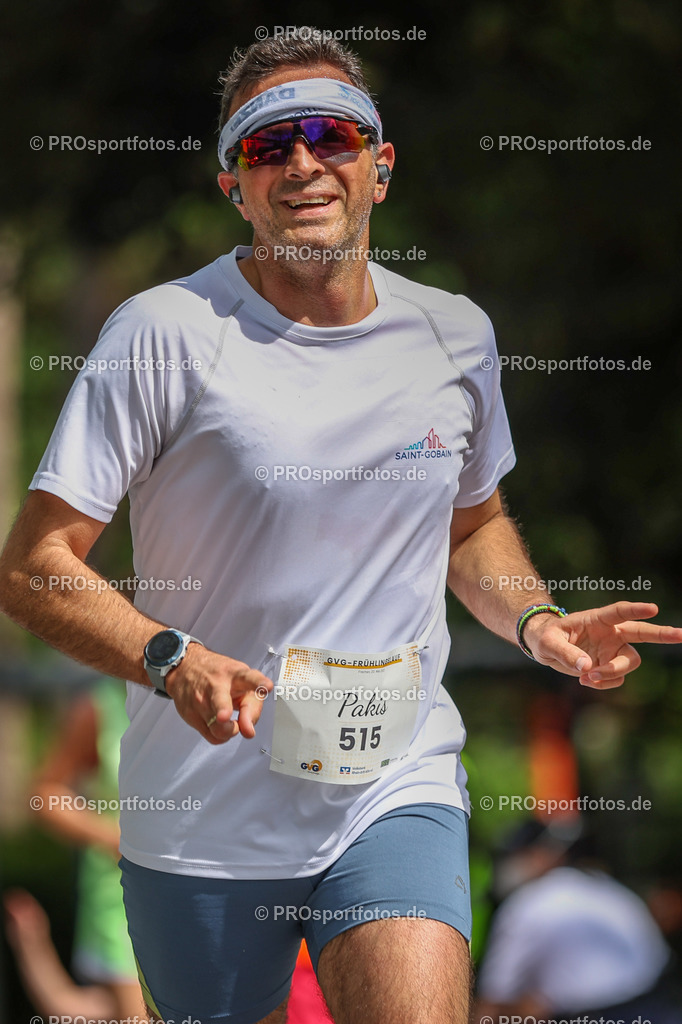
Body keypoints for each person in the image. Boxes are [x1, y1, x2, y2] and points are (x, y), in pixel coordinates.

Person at [0, 27, 680, 1024]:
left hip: (391, 780)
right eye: (266, 146)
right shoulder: (163, 335)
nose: (303, 162)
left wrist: (540, 623)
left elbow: (471, 524)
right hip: (202, 808)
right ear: (233, 183)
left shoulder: (454, 333)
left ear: (380, 166)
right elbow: (33, 568)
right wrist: (168, 656)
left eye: (331, 135)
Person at [4, 679, 147, 1024]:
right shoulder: (101, 705)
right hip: (120, 899)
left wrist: (32, 948)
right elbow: (44, 793)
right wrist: (112, 838)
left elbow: (72, 1010)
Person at [474, 818, 682, 1022]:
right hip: (662, 1000)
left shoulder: (526, 904)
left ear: (540, 854)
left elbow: (491, 1006)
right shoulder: (601, 884)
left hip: (608, 1013)